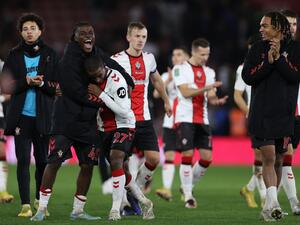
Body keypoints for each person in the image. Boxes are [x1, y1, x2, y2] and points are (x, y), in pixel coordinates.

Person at [31, 21, 133, 221]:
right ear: (75, 38)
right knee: (55, 162)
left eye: (91, 33)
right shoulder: (69, 59)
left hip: (87, 122)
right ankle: (41, 208)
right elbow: (73, 91)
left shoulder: (94, 52)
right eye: (83, 33)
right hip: (65, 120)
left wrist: (128, 80)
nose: (88, 36)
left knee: (87, 165)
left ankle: (78, 210)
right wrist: (102, 102)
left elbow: (111, 64)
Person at [242, 11, 300, 221]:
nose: (260, 29)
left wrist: (279, 61)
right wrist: (268, 61)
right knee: (267, 157)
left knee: (278, 160)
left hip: (285, 116)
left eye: (264, 26)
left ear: (278, 27)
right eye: (260, 25)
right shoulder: (257, 48)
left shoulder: (295, 49)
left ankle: (268, 208)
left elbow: (295, 76)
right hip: (261, 114)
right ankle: (274, 202)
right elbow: (247, 77)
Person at [1, 13, 58, 217]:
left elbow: (58, 87)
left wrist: (41, 83)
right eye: (25, 29)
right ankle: (25, 205)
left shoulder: (50, 54)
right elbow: (4, 86)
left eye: (33, 28)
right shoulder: (14, 55)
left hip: (43, 116)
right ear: (21, 32)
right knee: (23, 160)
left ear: (40, 31)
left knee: (42, 161)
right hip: (21, 117)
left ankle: (39, 201)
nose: (29, 31)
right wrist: (26, 82)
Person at [85, 55, 154, 221]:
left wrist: (101, 95)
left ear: (104, 67)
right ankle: (145, 202)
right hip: (103, 128)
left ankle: (115, 209)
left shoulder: (116, 80)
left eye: (100, 74)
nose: (98, 78)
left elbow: (123, 110)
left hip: (124, 124)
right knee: (121, 169)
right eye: (94, 76)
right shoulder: (90, 80)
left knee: (115, 159)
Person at [111, 22, 171, 205]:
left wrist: (167, 101)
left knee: (154, 158)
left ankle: (133, 194)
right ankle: (122, 202)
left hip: (144, 118)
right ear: (128, 37)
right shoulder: (116, 60)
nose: (140, 40)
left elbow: (157, 80)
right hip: (123, 119)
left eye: (143, 37)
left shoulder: (149, 59)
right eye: (137, 36)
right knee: (123, 162)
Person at [172, 38, 227, 208]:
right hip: (184, 117)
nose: (205, 57)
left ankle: (187, 186)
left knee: (206, 158)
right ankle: (188, 195)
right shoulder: (180, 69)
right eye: (202, 54)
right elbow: (185, 92)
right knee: (187, 155)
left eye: (207, 54)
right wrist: (206, 88)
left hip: (202, 119)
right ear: (194, 52)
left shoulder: (210, 72)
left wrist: (215, 101)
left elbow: (210, 95)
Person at [234, 35, 266, 208]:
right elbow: (237, 95)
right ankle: (265, 199)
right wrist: (249, 112)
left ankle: (249, 188)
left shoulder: (269, 66)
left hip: (271, 117)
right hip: (255, 118)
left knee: (271, 158)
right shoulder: (243, 69)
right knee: (261, 157)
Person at [154, 47, 189, 201]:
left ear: (187, 57)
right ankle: (167, 189)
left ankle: (187, 190)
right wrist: (168, 80)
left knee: (186, 157)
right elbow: (156, 94)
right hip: (169, 121)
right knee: (169, 155)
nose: (175, 57)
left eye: (179, 54)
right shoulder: (164, 75)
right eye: (173, 54)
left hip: (186, 120)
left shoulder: (190, 74)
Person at [279, 9, 300, 215]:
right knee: (286, 154)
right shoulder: (276, 49)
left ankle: (272, 202)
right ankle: (294, 202)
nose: (292, 27)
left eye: (295, 24)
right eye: (289, 24)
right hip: (284, 112)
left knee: (282, 159)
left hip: (297, 114)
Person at [0, 59, 14, 203]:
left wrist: (2, 97)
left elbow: (11, 89)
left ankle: (2, 191)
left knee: (2, 154)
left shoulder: (2, 65)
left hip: (0, 116)